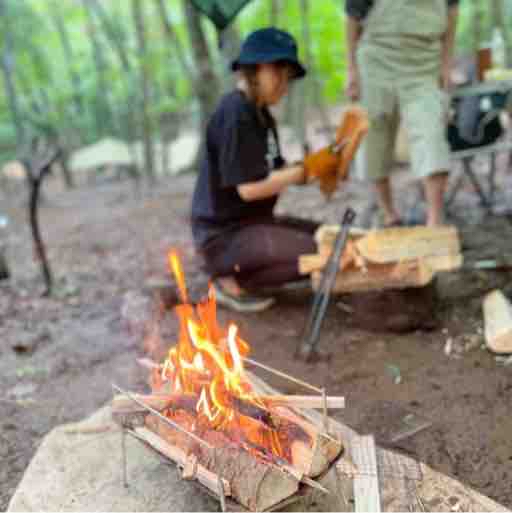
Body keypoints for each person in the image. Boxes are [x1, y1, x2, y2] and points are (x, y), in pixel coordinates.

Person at [191, 28, 333, 313]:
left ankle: (248, 276)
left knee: (330, 237)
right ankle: (226, 281)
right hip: (224, 236)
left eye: (288, 78)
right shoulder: (235, 112)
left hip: (255, 226)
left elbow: (274, 175)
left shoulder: (262, 115)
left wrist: (319, 166)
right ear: (257, 69)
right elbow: (249, 189)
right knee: (327, 251)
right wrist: (302, 171)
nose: (284, 84)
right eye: (280, 74)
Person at [345, 0, 459, 227]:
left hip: (424, 62)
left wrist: (446, 63)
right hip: (377, 60)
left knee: (431, 133)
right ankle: (389, 214)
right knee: (374, 138)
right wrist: (352, 71)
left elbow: (452, 11)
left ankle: (435, 221)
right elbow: (351, 19)